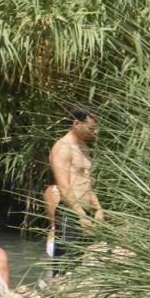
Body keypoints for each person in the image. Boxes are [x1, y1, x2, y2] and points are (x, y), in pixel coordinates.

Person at [49, 104, 103, 258]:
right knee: (67, 263)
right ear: (76, 124)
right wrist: (80, 214)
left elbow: (87, 182)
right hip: (71, 213)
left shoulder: (83, 147)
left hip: (86, 213)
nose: (95, 132)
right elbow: (64, 186)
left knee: (84, 261)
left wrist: (98, 208)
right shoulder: (63, 147)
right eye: (91, 128)